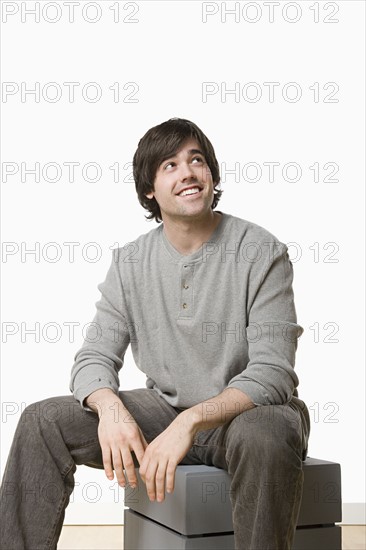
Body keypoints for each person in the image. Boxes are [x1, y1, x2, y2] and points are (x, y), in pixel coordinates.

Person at [0, 118, 310, 550]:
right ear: (149, 188)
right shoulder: (130, 263)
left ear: (211, 175)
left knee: (267, 434)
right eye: (170, 165)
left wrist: (193, 420)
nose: (187, 172)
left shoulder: (261, 251)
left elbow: (273, 372)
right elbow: (93, 358)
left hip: (244, 414)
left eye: (196, 160)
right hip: (164, 409)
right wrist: (109, 409)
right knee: (42, 421)